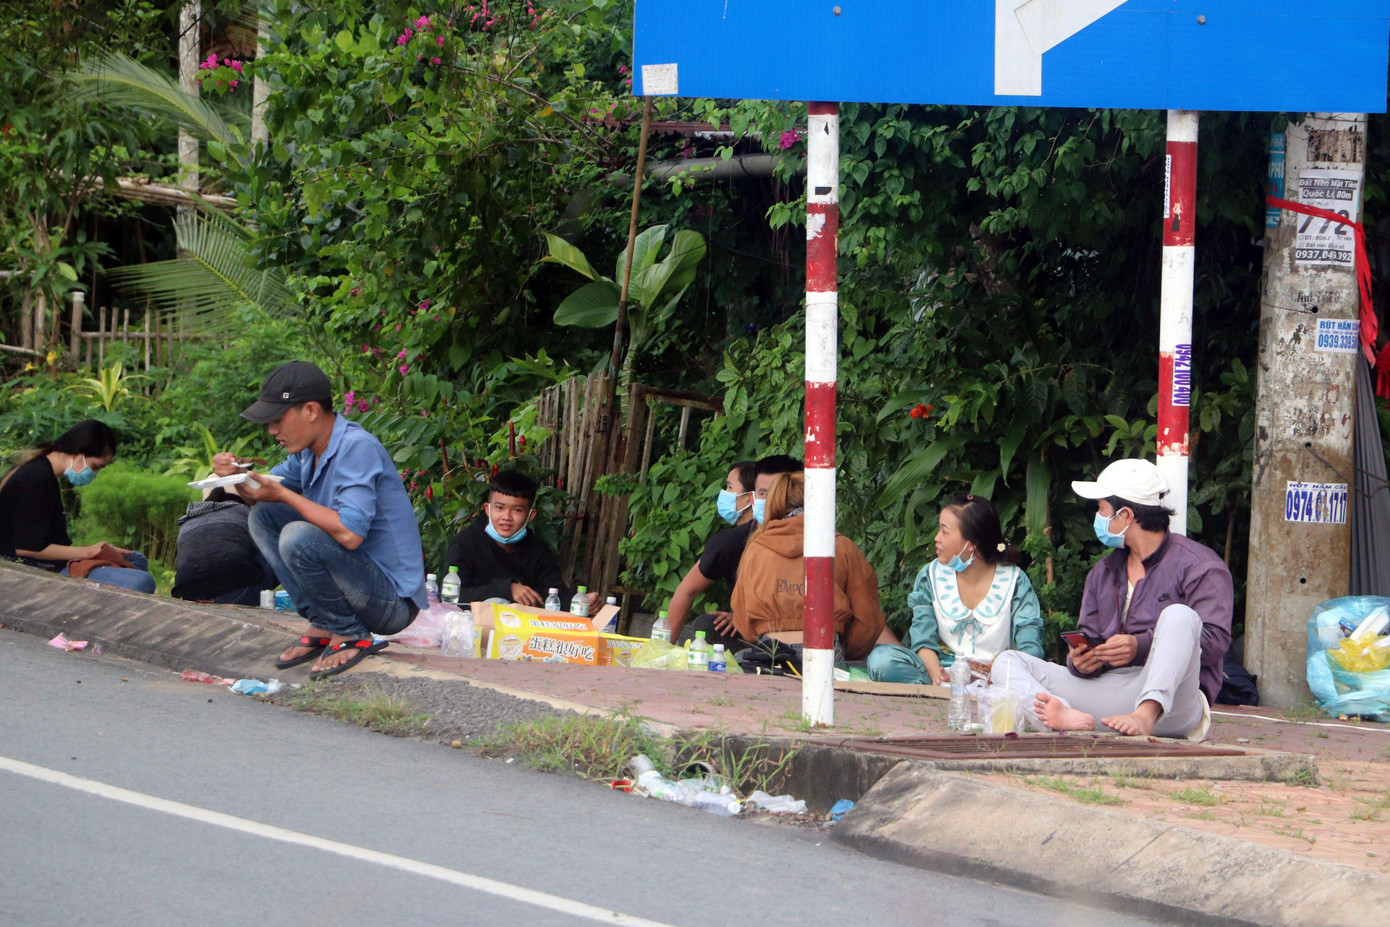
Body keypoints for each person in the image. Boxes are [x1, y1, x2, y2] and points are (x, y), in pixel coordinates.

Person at [989, 458, 1233, 738]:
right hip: (1110, 692)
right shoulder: (1102, 572)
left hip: (1174, 703)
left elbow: (1214, 643)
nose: (1098, 515)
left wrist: (1139, 646)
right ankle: (1070, 716)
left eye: (1102, 508)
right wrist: (1081, 662)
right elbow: (1088, 638)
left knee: (1180, 616)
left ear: (1125, 515)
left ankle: (1145, 714)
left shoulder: (1200, 565)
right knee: (1007, 662)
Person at [213, 361, 427, 678]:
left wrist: (285, 495)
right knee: (263, 515)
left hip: (390, 603)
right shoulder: (307, 452)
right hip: (356, 584)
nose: (272, 431)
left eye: (278, 419)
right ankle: (324, 623)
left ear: (311, 411)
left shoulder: (356, 447)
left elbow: (350, 534)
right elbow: (266, 492)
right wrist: (238, 478)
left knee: (298, 537)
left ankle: (349, 632)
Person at [867, 494, 1042, 685]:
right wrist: (937, 676)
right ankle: (935, 692)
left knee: (1028, 674)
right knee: (882, 660)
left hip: (997, 678)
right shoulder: (930, 575)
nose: (936, 538)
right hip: (942, 671)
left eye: (945, 532)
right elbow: (923, 639)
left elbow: (1029, 650)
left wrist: (1000, 678)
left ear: (972, 544)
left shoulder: (1015, 581)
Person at [730, 472, 886, 661]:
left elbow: (741, 617)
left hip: (771, 651)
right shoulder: (842, 547)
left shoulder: (756, 549)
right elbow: (868, 621)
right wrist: (846, 651)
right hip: (826, 649)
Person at [0, 419, 155, 593]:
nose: (95, 474)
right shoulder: (35, 478)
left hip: (49, 562)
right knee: (141, 582)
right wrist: (89, 552)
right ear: (77, 453)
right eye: (96, 466)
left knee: (136, 560)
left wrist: (97, 551)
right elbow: (27, 548)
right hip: (32, 569)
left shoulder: (42, 470)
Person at [671, 454, 802, 647]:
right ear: (753, 496)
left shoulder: (826, 544)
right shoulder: (735, 542)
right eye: (764, 493)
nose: (773, 499)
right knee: (709, 626)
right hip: (761, 636)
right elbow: (687, 590)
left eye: (778, 491)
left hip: (813, 635)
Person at [444, 468, 597, 609]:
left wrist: (582, 602)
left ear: (530, 515)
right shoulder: (466, 543)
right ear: (487, 509)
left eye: (517, 510)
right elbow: (451, 596)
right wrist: (506, 589)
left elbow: (554, 596)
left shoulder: (538, 549)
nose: (506, 517)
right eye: (499, 508)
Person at [171, 487, 278, 606]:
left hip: (187, 597)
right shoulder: (246, 512)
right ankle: (269, 599)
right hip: (237, 596)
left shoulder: (187, 521)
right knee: (273, 546)